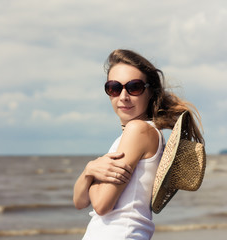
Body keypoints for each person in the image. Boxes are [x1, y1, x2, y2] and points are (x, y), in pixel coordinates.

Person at [73, 49, 204, 240]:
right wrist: (88, 171)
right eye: (114, 88)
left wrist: (93, 174)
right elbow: (79, 202)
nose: (123, 96)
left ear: (150, 91)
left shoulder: (138, 130)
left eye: (134, 87)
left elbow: (101, 205)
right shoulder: (136, 133)